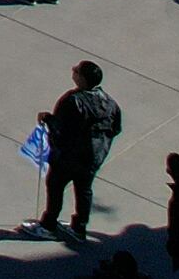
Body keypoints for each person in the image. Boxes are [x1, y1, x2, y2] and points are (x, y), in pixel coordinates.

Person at [37, 60, 122, 239]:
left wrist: (47, 119)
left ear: (82, 79)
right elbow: (116, 129)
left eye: (76, 70)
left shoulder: (72, 101)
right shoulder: (109, 102)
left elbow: (60, 129)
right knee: (84, 190)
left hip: (69, 157)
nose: (73, 71)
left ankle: (49, 224)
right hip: (94, 157)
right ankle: (79, 227)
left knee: (55, 187)